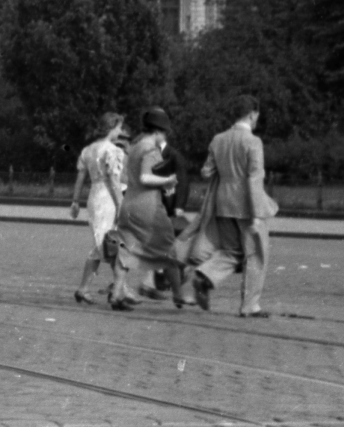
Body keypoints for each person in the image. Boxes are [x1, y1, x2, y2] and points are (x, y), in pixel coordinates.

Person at [187, 94, 278, 317]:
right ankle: (250, 305)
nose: (257, 119)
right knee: (256, 254)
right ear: (252, 114)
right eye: (257, 115)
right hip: (247, 205)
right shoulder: (253, 142)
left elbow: (206, 171)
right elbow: (254, 179)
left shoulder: (218, 139)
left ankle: (205, 275)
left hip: (223, 203)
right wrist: (257, 216)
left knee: (232, 250)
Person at [109, 107, 183, 310]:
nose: (164, 137)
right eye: (164, 133)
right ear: (158, 132)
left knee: (126, 251)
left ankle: (117, 293)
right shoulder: (151, 148)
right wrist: (167, 180)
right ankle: (178, 294)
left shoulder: (134, 147)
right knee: (169, 248)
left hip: (129, 204)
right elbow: (145, 177)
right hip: (148, 207)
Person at [69, 112, 126, 304]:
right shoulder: (112, 150)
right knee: (108, 245)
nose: (120, 131)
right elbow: (114, 181)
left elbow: (80, 178)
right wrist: (120, 205)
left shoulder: (88, 150)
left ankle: (84, 289)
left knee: (102, 244)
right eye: (119, 127)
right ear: (112, 127)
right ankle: (120, 290)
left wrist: (75, 201)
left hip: (94, 196)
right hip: (107, 198)